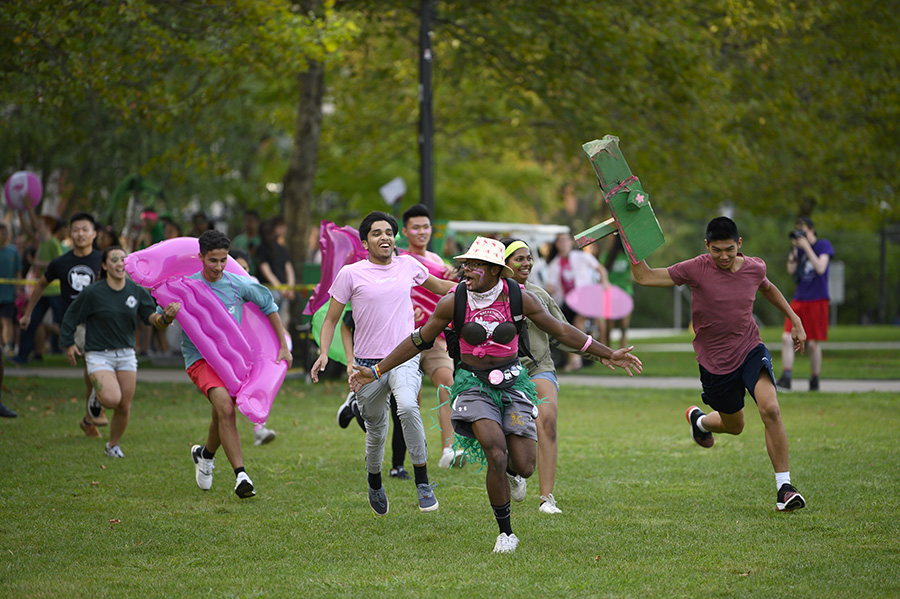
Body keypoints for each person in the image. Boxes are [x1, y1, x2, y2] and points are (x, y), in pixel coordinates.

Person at [350, 236, 642, 553]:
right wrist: (377, 370)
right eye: (466, 264)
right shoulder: (453, 300)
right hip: (473, 385)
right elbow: (418, 339)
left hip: (514, 384)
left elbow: (561, 330)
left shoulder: (518, 297)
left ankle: (515, 474)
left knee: (524, 464)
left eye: (475, 265)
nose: (467, 270)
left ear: (493, 270)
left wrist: (608, 353)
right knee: (496, 452)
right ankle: (505, 532)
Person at [630, 216, 808, 512]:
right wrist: (629, 235)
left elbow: (767, 288)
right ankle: (699, 421)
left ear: (739, 244)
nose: (723, 256)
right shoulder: (696, 268)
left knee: (771, 408)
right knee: (734, 425)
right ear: (706, 246)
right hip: (715, 362)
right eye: (716, 250)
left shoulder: (754, 267)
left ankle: (784, 488)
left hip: (750, 349)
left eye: (728, 249)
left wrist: (796, 319)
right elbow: (644, 276)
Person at [311, 211, 455, 516]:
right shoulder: (351, 273)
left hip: (404, 355)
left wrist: (473, 282)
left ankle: (422, 481)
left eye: (389, 232)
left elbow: (442, 289)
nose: (385, 237)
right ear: (365, 242)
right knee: (376, 430)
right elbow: (333, 320)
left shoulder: (408, 265)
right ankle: (375, 481)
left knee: (407, 406)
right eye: (377, 233)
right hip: (366, 366)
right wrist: (324, 352)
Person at [180, 230, 292, 499]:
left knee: (221, 414)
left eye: (223, 260)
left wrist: (283, 345)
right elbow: (157, 318)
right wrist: (163, 319)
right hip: (200, 360)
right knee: (225, 409)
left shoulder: (237, 283)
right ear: (201, 258)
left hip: (231, 360)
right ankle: (241, 475)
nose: (218, 267)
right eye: (212, 261)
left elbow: (268, 304)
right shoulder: (186, 287)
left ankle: (205, 455)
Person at [60, 246, 177, 457]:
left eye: (123, 259)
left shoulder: (135, 291)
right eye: (114, 259)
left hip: (125, 354)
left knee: (124, 406)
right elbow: (71, 316)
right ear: (104, 265)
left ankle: (112, 446)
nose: (119, 263)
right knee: (112, 400)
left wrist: (164, 318)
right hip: (98, 354)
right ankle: (98, 395)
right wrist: (69, 343)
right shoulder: (93, 292)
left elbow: (150, 317)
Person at [503, 237, 583, 514]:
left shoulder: (540, 296)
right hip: (503, 374)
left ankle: (546, 498)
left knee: (547, 422)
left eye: (528, 258)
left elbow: (563, 333)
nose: (526, 263)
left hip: (539, 368)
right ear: (503, 264)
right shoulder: (489, 296)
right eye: (519, 258)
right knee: (510, 434)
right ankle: (513, 470)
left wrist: (604, 355)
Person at [18, 212, 104, 433]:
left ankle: (88, 415)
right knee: (94, 360)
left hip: (101, 321)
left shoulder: (102, 260)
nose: (80, 234)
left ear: (94, 234)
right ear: (69, 234)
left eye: (85, 229)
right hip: (75, 322)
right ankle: (96, 406)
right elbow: (40, 285)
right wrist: (27, 314)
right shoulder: (60, 262)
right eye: (75, 230)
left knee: (93, 368)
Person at [400, 204, 465, 469]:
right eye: (415, 227)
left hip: (437, 336)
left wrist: (451, 273)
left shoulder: (438, 262)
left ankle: (448, 450)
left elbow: (445, 291)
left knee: (447, 385)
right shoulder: (399, 260)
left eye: (426, 227)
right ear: (404, 231)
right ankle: (416, 454)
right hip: (407, 338)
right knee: (410, 398)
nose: (422, 232)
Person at [776, 216, 834, 392]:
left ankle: (814, 379)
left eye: (804, 231)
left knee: (813, 343)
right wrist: (795, 248)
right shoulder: (798, 250)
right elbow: (791, 270)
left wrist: (806, 246)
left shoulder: (823, 245)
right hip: (799, 298)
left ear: (812, 230)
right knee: (786, 337)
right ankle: (786, 377)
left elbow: (820, 268)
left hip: (817, 299)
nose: (801, 235)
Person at [230, 249, 278, 446]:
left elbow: (268, 311)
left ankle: (259, 427)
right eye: (237, 267)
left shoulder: (253, 284)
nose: (242, 271)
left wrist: (280, 334)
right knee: (230, 394)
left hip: (252, 345)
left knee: (257, 382)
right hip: (231, 346)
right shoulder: (224, 286)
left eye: (245, 268)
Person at [545, 232, 609, 371]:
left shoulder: (582, 257)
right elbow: (551, 285)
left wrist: (605, 284)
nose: (563, 243)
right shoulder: (554, 264)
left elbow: (600, 269)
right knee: (562, 328)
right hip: (567, 301)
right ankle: (573, 360)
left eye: (565, 240)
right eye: (560, 241)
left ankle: (584, 354)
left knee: (579, 322)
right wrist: (548, 290)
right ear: (556, 244)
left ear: (570, 242)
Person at [256, 216, 296, 331]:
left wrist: (284, 288)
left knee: (273, 325)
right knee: (281, 324)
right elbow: (288, 269)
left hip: (275, 290)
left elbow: (267, 270)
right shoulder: (275, 248)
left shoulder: (264, 249)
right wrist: (288, 288)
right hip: (278, 291)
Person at [600, 235, 634, 348]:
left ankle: (623, 348)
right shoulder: (607, 257)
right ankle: (608, 348)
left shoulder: (629, 257)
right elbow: (601, 273)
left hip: (626, 293)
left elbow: (633, 275)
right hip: (610, 294)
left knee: (624, 325)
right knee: (609, 324)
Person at [0, 223, 22, 355]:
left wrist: (19, 288)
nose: (3, 235)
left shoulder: (13, 251)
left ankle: (8, 346)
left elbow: (18, 271)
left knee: (7, 320)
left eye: (5, 232)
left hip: (8, 293)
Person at [230, 209, 261, 273]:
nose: (248, 223)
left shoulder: (260, 240)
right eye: (246, 220)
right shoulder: (238, 240)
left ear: (257, 222)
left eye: (251, 221)